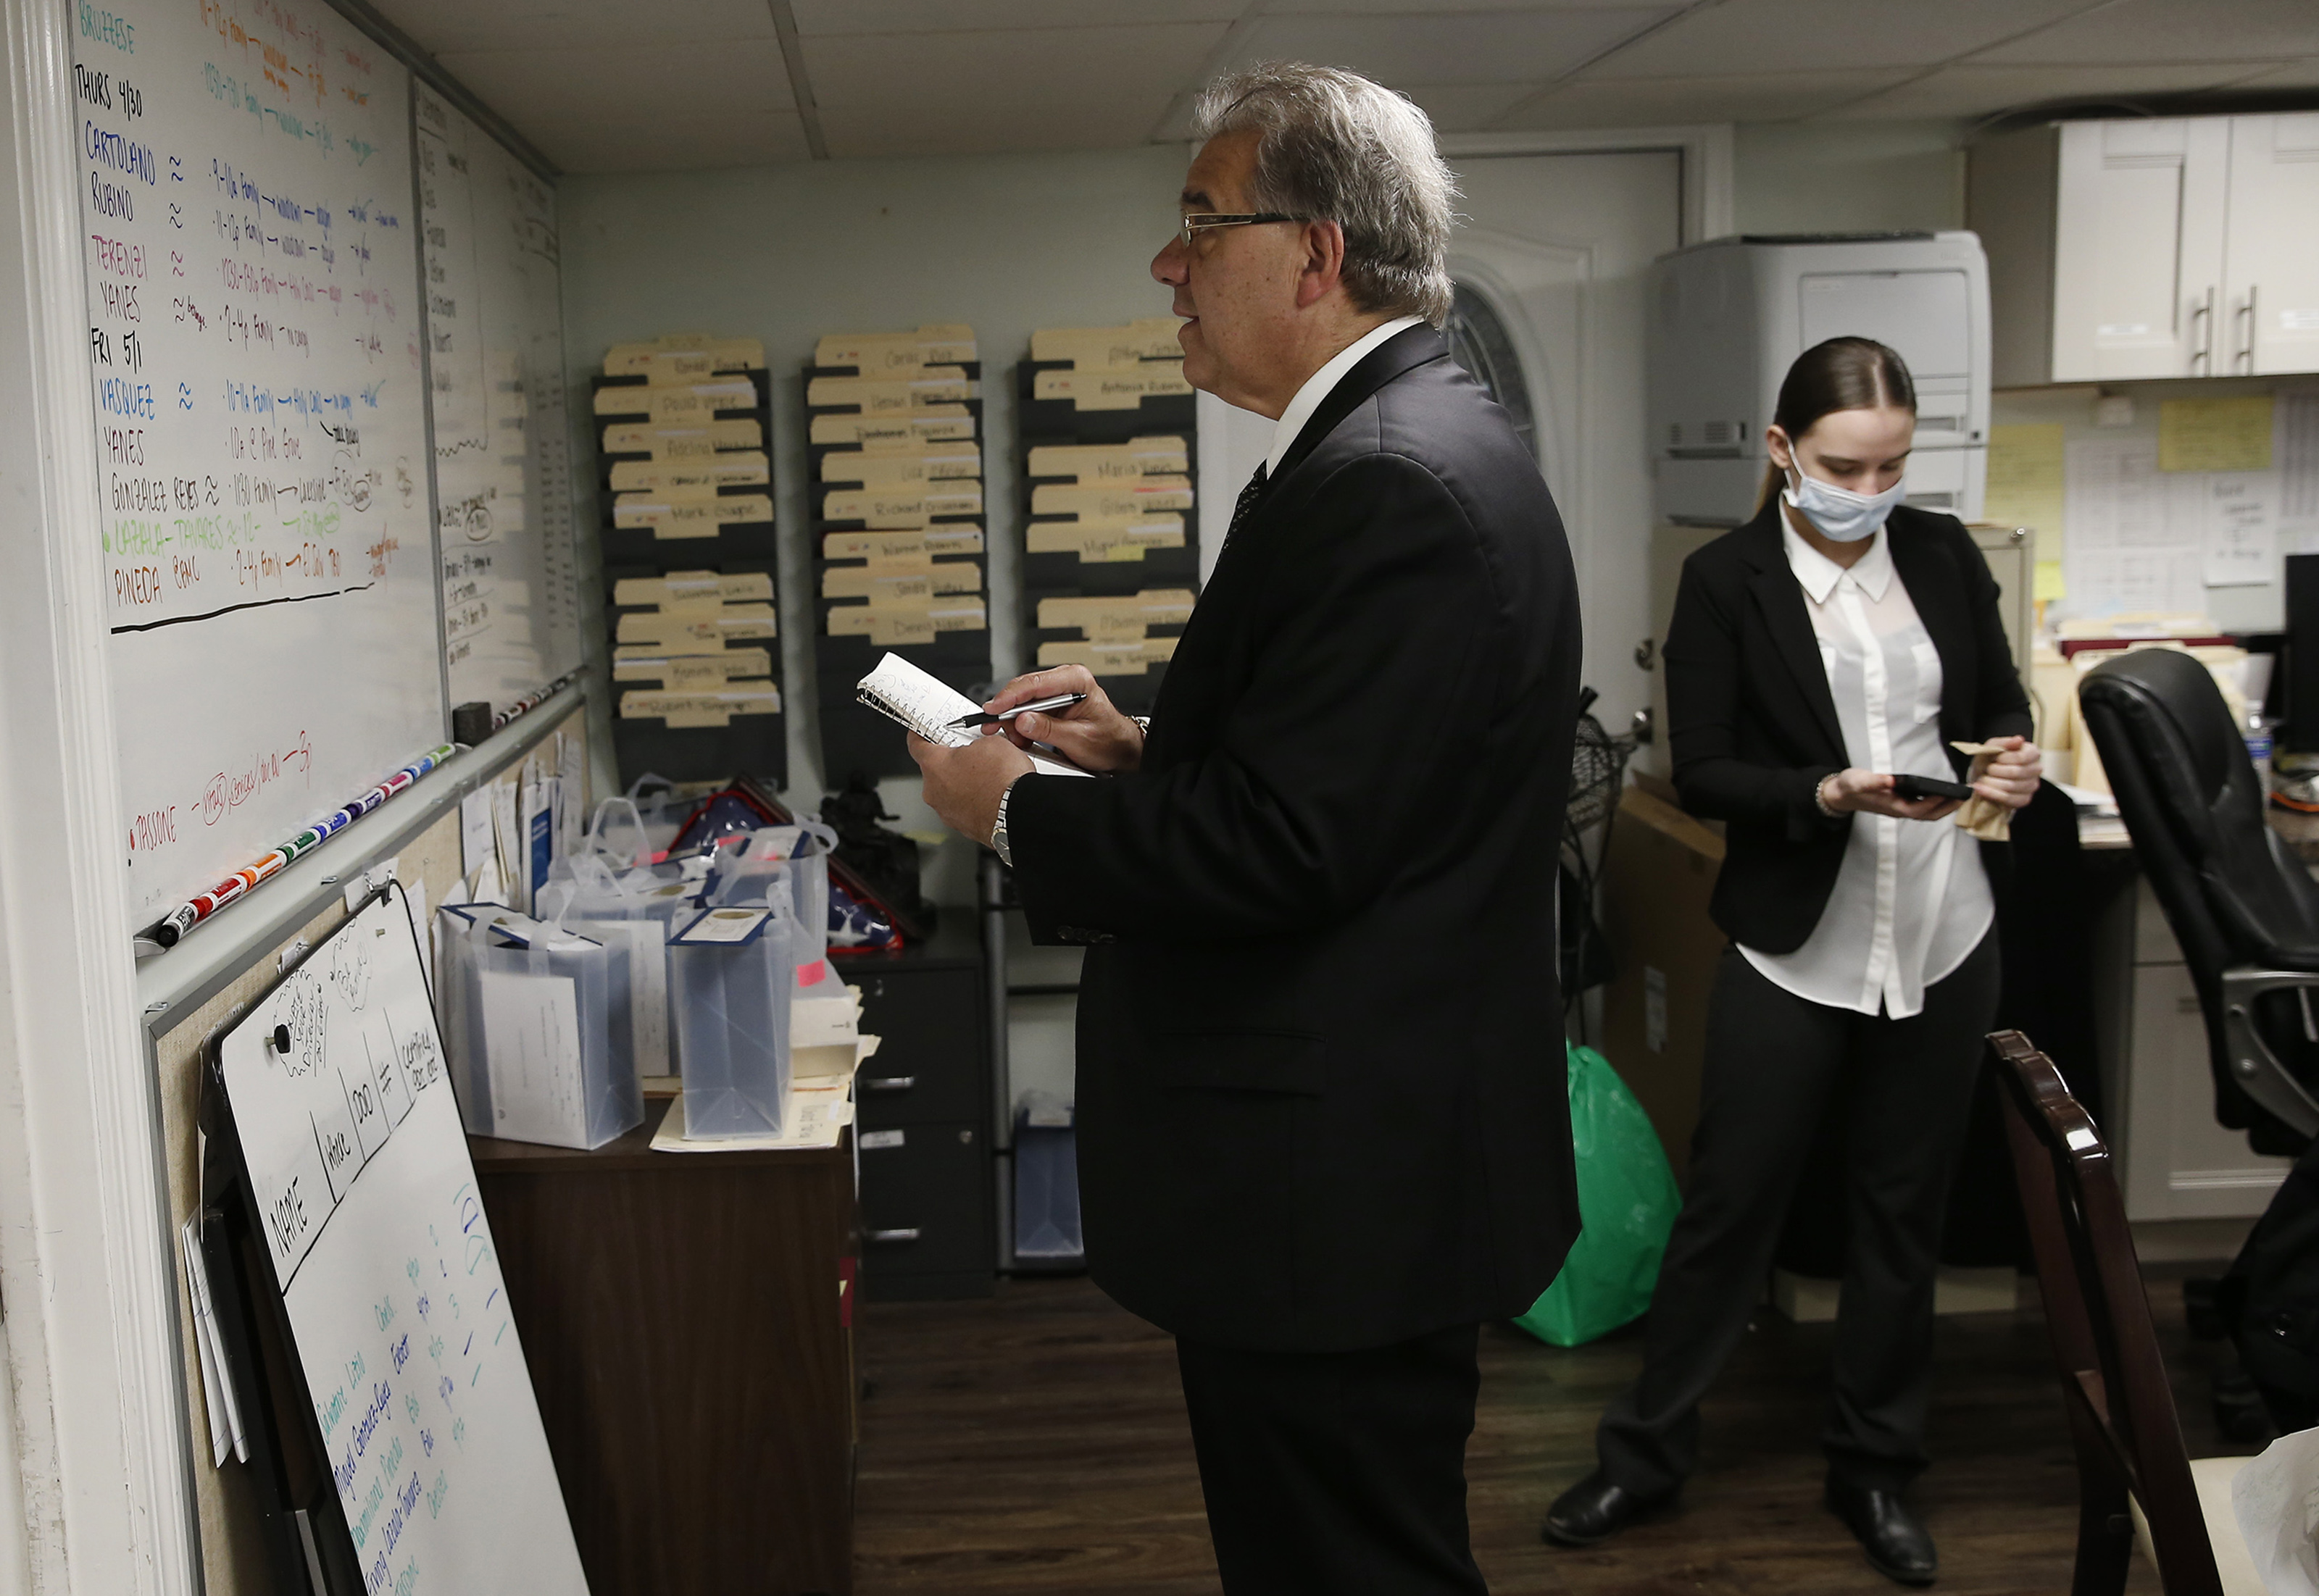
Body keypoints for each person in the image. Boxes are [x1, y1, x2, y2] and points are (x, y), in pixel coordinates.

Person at [910, 61, 1582, 1596]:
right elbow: (1361, 787)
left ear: (1318, 255)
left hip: (1339, 1193)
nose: (1168, 266)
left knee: (1349, 1566)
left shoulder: (1394, 481)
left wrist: (1011, 807)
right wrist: (1140, 750)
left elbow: (1286, 852)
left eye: (1200, 224)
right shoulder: (1390, 445)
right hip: (1347, 1170)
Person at [1541, 338, 2043, 1587]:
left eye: (1892, 465)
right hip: (1798, 942)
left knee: (1898, 1215)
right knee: (1732, 1207)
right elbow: (1703, 771)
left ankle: (1876, 1469)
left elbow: (1999, 702)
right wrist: (1824, 791)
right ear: (1781, 452)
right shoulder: (1725, 580)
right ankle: (1644, 1456)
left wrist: (2012, 760)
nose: (1870, 489)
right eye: (1842, 465)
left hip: (1943, 930)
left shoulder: (1941, 552)